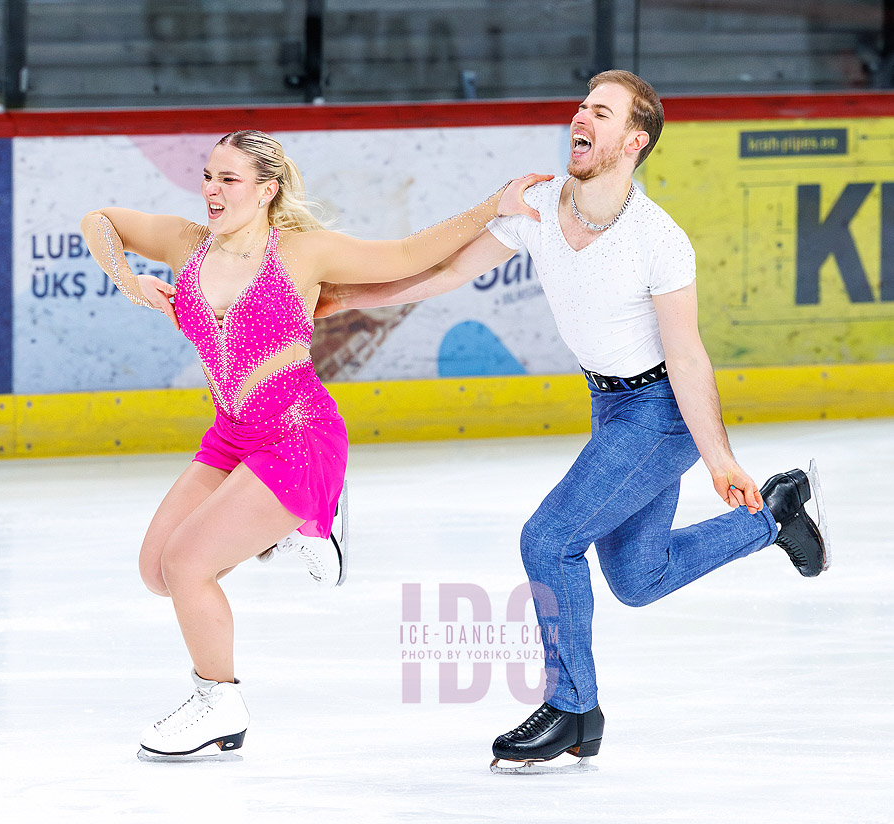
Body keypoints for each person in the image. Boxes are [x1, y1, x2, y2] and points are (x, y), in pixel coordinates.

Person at [314, 70, 830, 774]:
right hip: (610, 406)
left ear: (634, 141)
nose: (580, 117)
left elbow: (686, 354)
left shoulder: (659, 240)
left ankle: (574, 709)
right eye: (582, 106)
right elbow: (446, 273)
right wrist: (348, 298)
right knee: (640, 578)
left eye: (602, 112)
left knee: (549, 540)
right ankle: (774, 517)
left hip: (660, 414)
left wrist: (719, 460)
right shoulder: (536, 207)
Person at [81, 129, 545, 761]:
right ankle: (299, 524)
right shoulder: (187, 245)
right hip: (232, 435)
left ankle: (219, 703)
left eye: (229, 179)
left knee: (187, 564)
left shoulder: (303, 253)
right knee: (157, 572)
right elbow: (100, 221)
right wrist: (128, 280)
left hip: (298, 436)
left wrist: (494, 204)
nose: (212, 190)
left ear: (267, 190)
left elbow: (409, 254)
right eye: (209, 176)